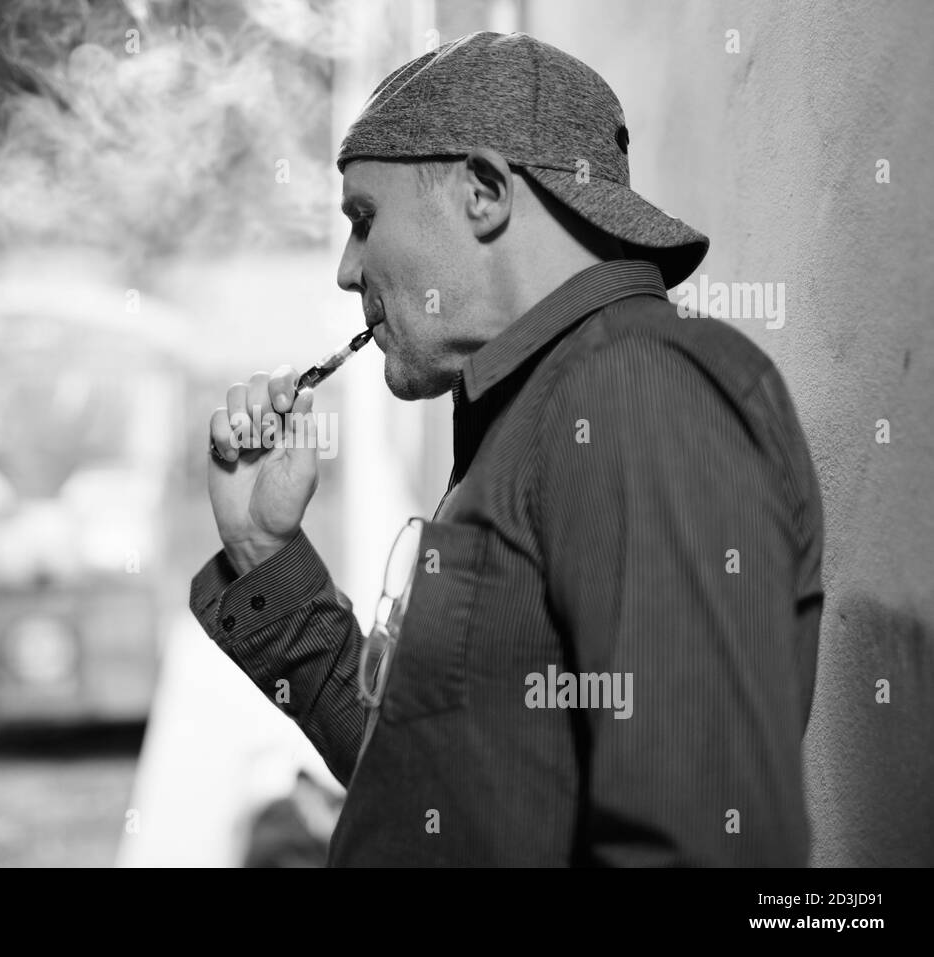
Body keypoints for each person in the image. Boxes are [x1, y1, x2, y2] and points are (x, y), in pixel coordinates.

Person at [191, 32, 823, 866]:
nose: (348, 271)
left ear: (483, 192)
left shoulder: (637, 390)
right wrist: (262, 549)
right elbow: (439, 792)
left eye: (363, 220)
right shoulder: (548, 404)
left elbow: (698, 848)